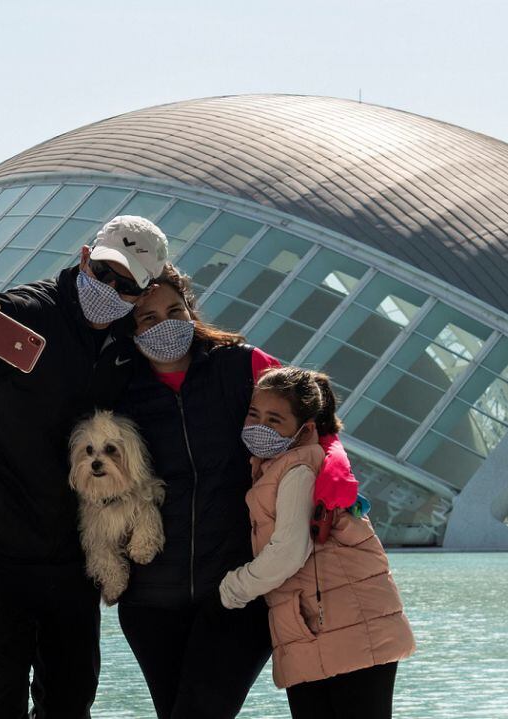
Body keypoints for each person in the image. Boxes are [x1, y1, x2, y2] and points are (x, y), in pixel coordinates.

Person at [0, 215, 168, 718]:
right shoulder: (27, 312)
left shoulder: (125, 343)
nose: (111, 289)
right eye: (106, 273)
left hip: (69, 545)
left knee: (72, 691)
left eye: (128, 285)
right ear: (85, 258)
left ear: (143, 291)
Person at [113, 267, 358, 719]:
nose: (165, 324)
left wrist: (336, 477)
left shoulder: (240, 365)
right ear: (130, 329)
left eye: (175, 310)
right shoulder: (119, 388)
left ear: (191, 312)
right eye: (147, 319)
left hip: (234, 591)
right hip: (150, 599)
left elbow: (313, 421)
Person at [220, 366, 416, 719]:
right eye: (254, 415)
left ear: (305, 429)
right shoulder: (280, 466)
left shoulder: (297, 470)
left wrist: (235, 587)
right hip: (325, 624)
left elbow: (289, 551)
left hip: (345, 626)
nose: (259, 426)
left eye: (275, 420)